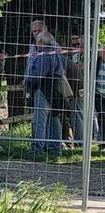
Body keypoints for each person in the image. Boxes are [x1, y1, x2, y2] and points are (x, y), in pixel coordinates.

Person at [24, 26, 65, 155]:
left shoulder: (44, 54)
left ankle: (37, 148)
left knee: (39, 119)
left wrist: (28, 80)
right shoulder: (55, 52)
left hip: (43, 87)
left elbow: (38, 73)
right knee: (54, 117)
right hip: (55, 88)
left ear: (42, 42)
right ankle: (54, 147)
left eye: (38, 40)